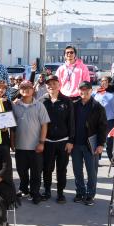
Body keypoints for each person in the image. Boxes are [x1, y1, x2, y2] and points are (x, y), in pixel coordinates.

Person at [12, 81, 50, 204]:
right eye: (23, 88)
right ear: (19, 90)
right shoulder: (15, 105)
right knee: (21, 171)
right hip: (20, 146)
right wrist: (12, 142)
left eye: (28, 88)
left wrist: (42, 142)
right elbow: (11, 126)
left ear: (33, 90)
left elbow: (44, 125)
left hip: (35, 147)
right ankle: (24, 189)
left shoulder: (39, 106)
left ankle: (35, 193)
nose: (26, 90)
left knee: (36, 173)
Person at [71, 82, 107, 206]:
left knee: (92, 172)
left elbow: (103, 127)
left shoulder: (97, 107)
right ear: (78, 91)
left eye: (86, 90)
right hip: (75, 144)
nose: (84, 92)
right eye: (81, 90)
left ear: (91, 91)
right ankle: (80, 192)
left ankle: (90, 195)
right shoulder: (74, 105)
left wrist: (101, 144)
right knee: (77, 170)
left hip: (91, 145)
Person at [40, 75, 74, 203]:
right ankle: (47, 191)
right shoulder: (42, 101)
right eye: (49, 84)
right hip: (47, 142)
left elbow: (71, 122)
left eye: (54, 83)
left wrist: (71, 141)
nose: (51, 86)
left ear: (59, 85)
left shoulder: (67, 101)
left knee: (61, 169)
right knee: (47, 168)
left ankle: (60, 193)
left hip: (63, 141)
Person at [94, 76, 114, 162]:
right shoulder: (97, 92)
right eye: (102, 81)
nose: (104, 83)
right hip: (98, 121)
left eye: (106, 81)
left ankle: (111, 158)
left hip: (111, 120)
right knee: (98, 140)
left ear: (110, 82)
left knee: (109, 141)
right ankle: (97, 158)